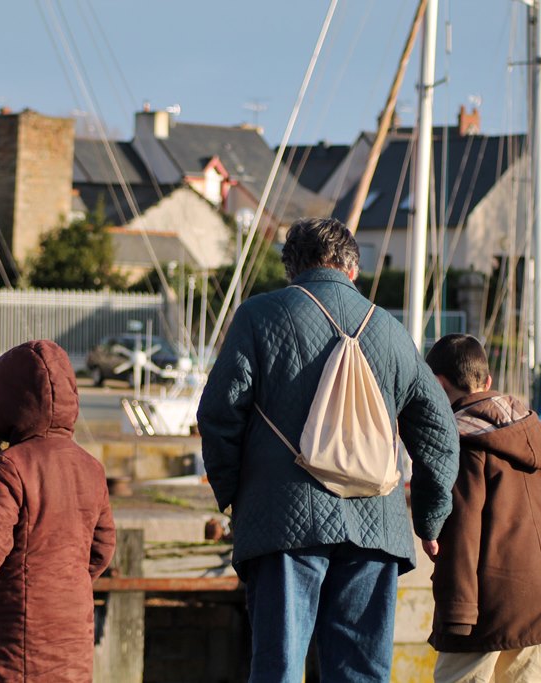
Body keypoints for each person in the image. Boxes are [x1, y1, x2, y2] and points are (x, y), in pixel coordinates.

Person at [197, 217, 460, 682]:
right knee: (360, 671)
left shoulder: (260, 315)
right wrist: (429, 519)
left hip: (283, 520)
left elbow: (220, 413)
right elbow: (439, 432)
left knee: (279, 666)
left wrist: (234, 492)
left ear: (291, 269)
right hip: (376, 524)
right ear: (352, 270)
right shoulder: (392, 331)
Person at [0, 340, 116, 682]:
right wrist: (65, 582)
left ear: (4, 407)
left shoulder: (10, 466)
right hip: (71, 633)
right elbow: (102, 549)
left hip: (11, 638)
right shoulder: (91, 467)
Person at [424, 334, 541, 683]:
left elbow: (462, 533)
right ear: (487, 382)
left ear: (438, 384)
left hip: (484, 601)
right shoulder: (534, 435)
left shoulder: (461, 443)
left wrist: (457, 614)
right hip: (538, 595)